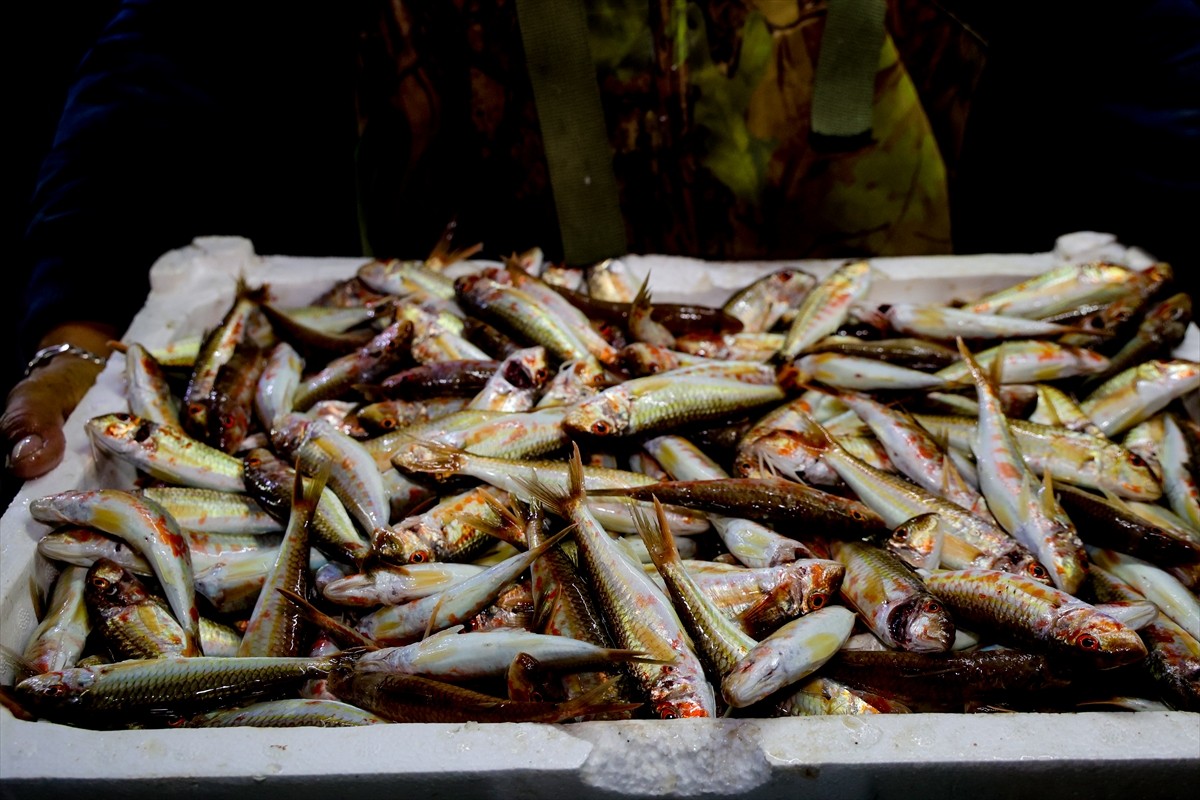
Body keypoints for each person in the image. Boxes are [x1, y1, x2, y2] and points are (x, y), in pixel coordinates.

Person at [4, 0, 1195, 484]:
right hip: (447, 371)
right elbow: (175, 52)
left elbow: (1149, 59)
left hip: (897, 359)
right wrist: (79, 324)